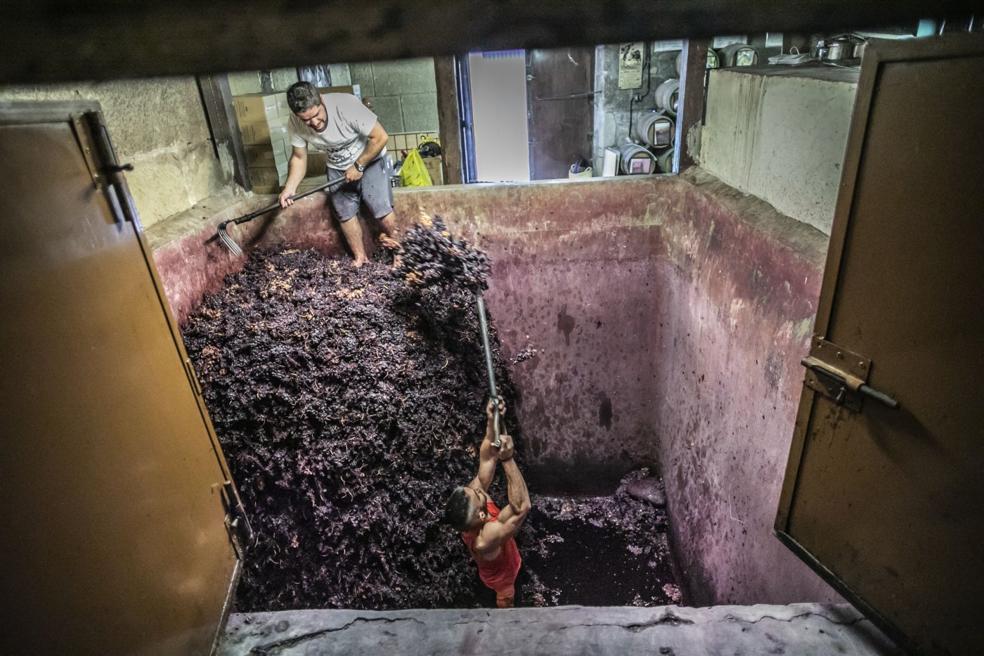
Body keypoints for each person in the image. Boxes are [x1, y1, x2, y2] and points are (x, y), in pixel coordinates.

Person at [280, 81, 399, 267]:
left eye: (316, 115)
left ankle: (400, 255)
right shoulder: (295, 122)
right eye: (306, 120)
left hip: (369, 158)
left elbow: (381, 137)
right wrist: (290, 188)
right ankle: (361, 258)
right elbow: (299, 158)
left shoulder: (346, 106)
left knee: (381, 208)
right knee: (344, 213)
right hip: (337, 166)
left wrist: (359, 166)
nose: (314, 123)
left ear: (322, 101)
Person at [444, 400, 531, 608]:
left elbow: (487, 460)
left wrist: (492, 419)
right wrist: (508, 459)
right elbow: (521, 508)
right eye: (477, 494)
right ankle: (503, 617)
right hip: (501, 576)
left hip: (493, 557)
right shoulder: (485, 538)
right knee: (506, 593)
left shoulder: (470, 510)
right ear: (481, 517)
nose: (477, 488)